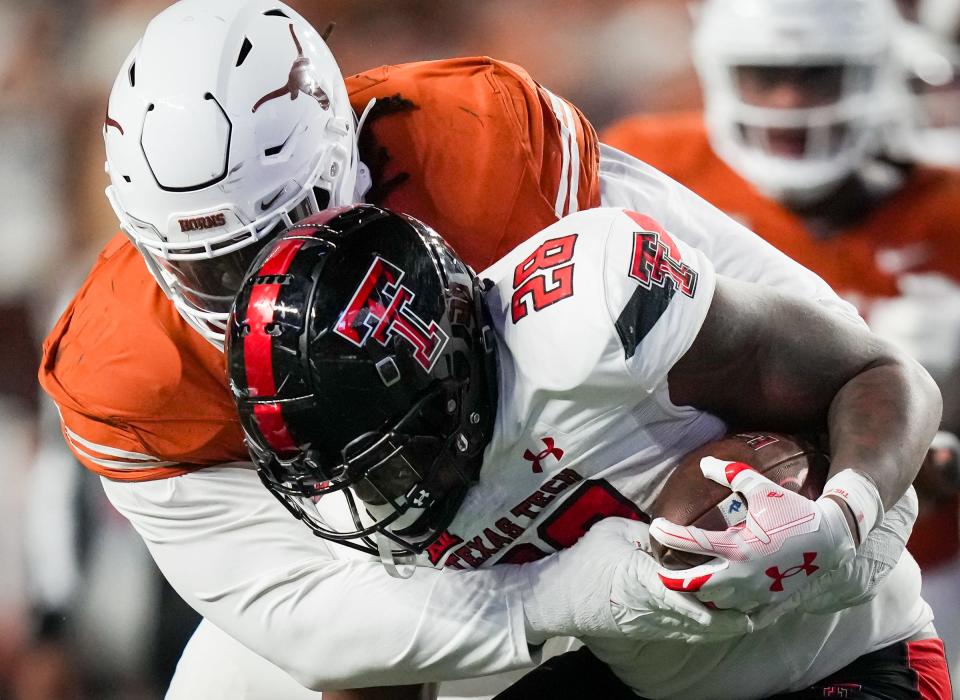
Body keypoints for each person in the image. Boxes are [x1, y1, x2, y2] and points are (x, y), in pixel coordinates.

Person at [37, 0, 885, 695]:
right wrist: (560, 597)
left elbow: (825, 343)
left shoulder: (476, 162)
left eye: (272, 237)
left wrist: (839, 484)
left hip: (611, 494)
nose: (258, 290)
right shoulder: (136, 371)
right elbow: (306, 617)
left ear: (347, 159)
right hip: (430, 580)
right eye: (210, 266)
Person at [226, 203, 949, 699]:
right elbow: (378, 672)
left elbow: (880, 375)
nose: (373, 491)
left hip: (850, 659)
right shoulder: (355, 484)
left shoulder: (589, 315)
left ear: (448, 371)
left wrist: (846, 513)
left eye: (388, 455)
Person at [602, 0, 960, 689]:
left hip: (920, 575)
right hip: (689, 557)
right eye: (766, 75)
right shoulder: (651, 169)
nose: (790, 102)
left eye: (817, 74)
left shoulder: (946, 209)